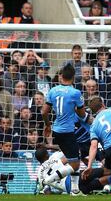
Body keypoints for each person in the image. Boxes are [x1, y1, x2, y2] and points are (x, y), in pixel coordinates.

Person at [41, 64, 90, 194]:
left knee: (73, 158)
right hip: (67, 132)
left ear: (61, 76)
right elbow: (81, 114)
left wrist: (47, 125)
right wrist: (86, 116)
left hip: (56, 130)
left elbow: (44, 112)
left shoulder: (53, 91)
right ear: (74, 77)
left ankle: (75, 190)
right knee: (75, 165)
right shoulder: (76, 93)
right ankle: (47, 180)